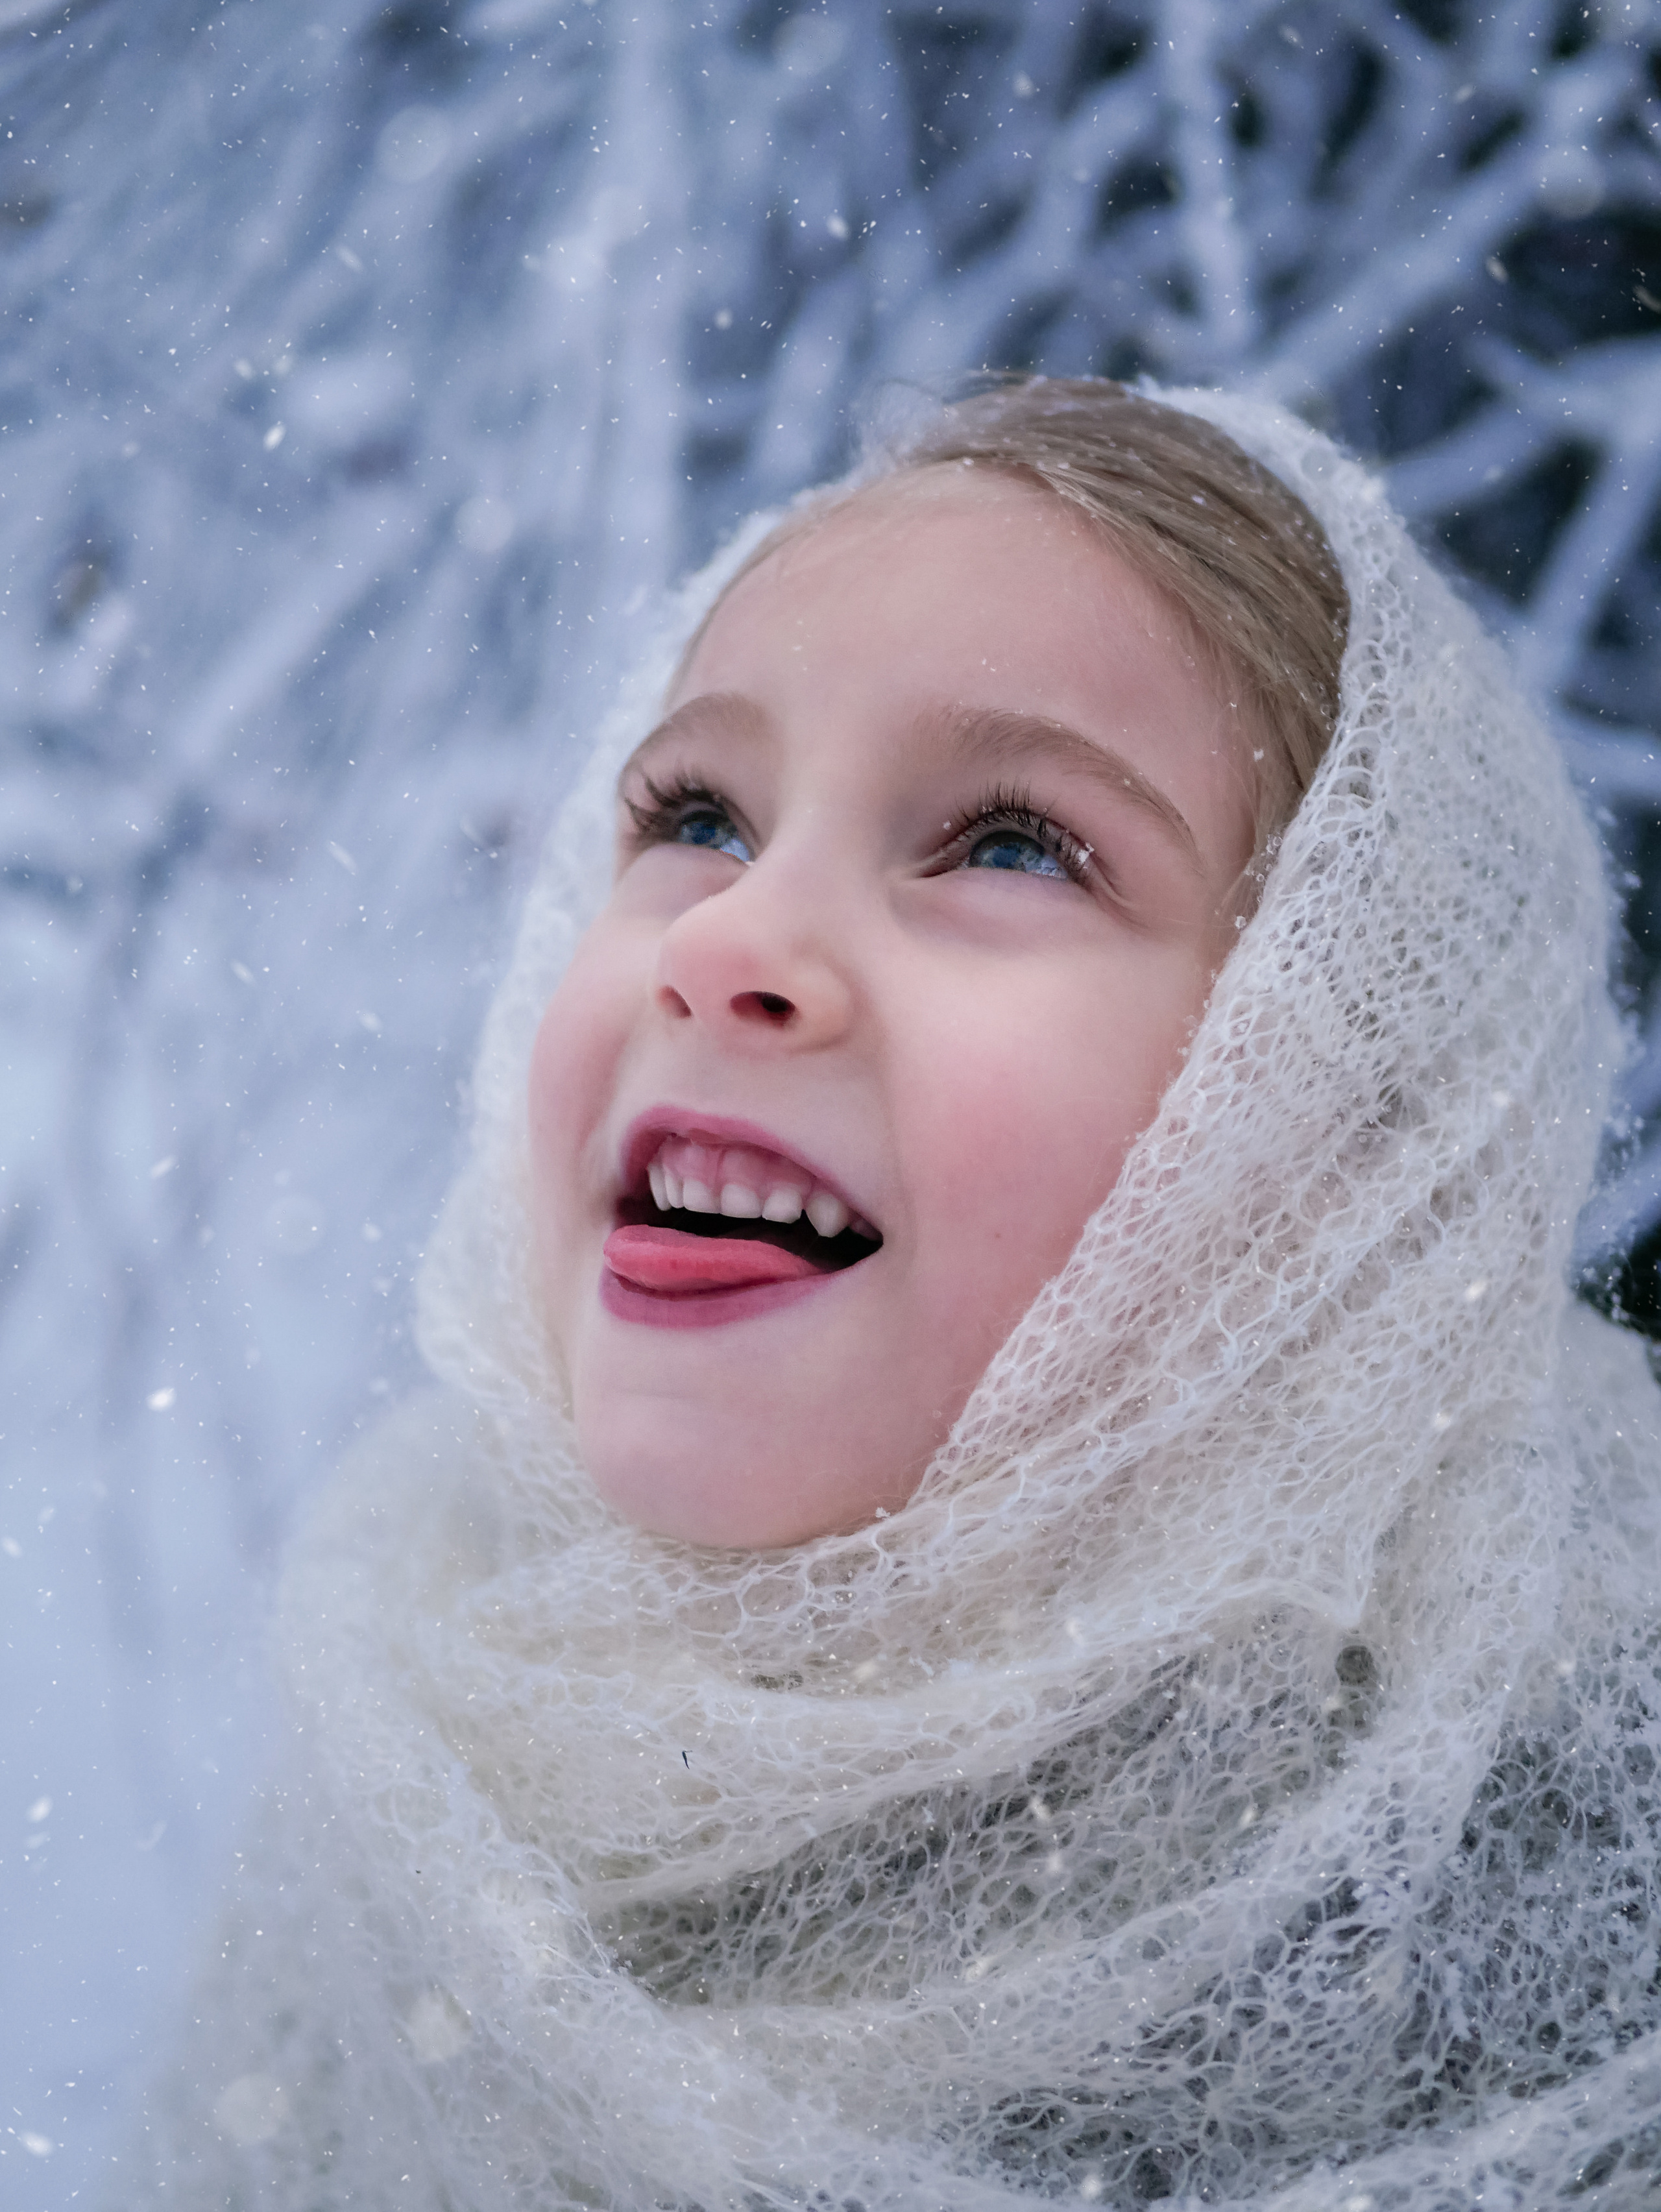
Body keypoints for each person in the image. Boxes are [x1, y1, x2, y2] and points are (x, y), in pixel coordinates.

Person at [130, 380, 1661, 2209]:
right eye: (695, 812)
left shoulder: (1565, 1958)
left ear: (1361, 1155)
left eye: (1010, 843)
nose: (724, 941)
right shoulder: (426, 1768)